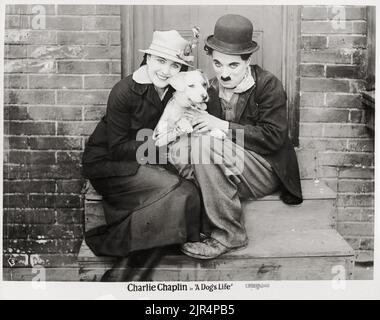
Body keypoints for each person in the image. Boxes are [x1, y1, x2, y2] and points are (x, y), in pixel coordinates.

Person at [171, 14, 303, 260]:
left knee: (205, 148)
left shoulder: (268, 85)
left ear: (248, 60)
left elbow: (274, 138)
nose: (224, 74)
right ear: (210, 57)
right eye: (218, 64)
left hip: (265, 167)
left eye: (233, 66)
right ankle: (207, 210)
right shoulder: (208, 88)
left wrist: (219, 124)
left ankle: (230, 234)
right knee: (180, 149)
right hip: (225, 162)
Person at [81, 30, 202, 281]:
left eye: (175, 65)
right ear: (147, 58)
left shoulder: (173, 89)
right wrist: (160, 144)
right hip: (110, 163)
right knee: (176, 191)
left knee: (188, 193)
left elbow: (199, 102)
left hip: (149, 160)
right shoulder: (124, 90)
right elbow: (117, 148)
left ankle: (126, 271)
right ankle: (127, 275)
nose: (166, 71)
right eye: (160, 61)